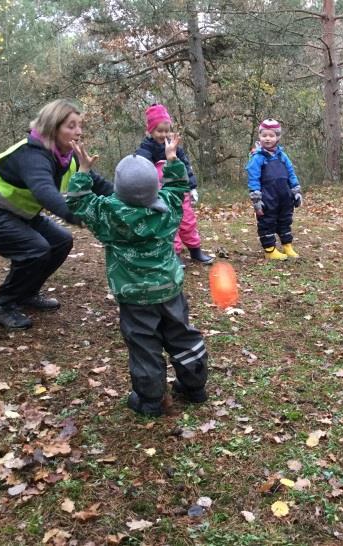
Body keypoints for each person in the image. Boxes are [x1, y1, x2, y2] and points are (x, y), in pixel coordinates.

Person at [66, 135, 208, 416]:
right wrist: (171, 159)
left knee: (144, 346)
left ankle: (150, 400)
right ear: (155, 187)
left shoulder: (108, 215)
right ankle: (194, 387)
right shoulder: (167, 208)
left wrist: (82, 171)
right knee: (182, 335)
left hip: (134, 297)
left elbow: (79, 203)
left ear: (117, 188)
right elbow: (178, 186)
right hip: (169, 289)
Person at [0, 99, 114, 330]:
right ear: (52, 127)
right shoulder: (33, 154)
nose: (78, 132)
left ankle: (26, 293)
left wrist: (135, 198)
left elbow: (99, 184)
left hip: (11, 209)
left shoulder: (68, 156)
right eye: (71, 126)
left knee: (61, 241)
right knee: (35, 249)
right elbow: (44, 192)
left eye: (79, 125)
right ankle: (5, 305)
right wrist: (78, 215)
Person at [135, 104, 214, 265]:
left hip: (180, 190)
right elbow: (141, 168)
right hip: (161, 194)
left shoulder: (176, 147)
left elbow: (186, 166)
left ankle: (195, 249)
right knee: (169, 223)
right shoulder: (146, 148)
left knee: (188, 220)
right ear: (150, 130)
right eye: (159, 131)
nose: (163, 134)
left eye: (167, 130)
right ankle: (174, 253)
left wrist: (191, 187)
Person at [246, 119, 302, 260]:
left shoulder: (282, 156)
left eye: (271, 135)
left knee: (285, 220)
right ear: (260, 136)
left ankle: (287, 245)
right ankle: (270, 249)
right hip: (267, 196)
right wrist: (256, 197)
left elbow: (291, 172)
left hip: (284, 195)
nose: (268, 138)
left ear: (277, 137)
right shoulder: (257, 157)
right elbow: (253, 178)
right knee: (267, 221)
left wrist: (295, 190)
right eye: (264, 135)